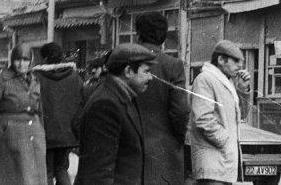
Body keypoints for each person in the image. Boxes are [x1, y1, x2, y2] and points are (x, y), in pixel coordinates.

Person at [75, 43, 156, 184]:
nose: (151, 78)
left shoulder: (124, 97)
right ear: (128, 71)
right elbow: (98, 173)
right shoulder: (106, 104)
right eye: (146, 72)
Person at [133, 12, 189, 185]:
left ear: (138, 34)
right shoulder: (173, 65)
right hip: (164, 153)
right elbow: (180, 112)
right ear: (164, 36)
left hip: (128, 152)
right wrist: (177, 139)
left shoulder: (126, 61)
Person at [0, 43, 48, 185]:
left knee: (32, 178)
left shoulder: (35, 80)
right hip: (9, 135)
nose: (21, 64)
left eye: (25, 60)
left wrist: (41, 133)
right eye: (17, 60)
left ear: (31, 61)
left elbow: (40, 110)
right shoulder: (1, 80)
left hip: (33, 135)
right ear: (12, 60)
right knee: (10, 177)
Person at [189, 40, 250, 184]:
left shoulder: (225, 82)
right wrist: (225, 140)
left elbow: (242, 115)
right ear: (221, 60)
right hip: (211, 163)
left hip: (222, 162)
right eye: (236, 61)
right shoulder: (205, 79)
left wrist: (242, 89)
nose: (240, 66)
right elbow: (203, 118)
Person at [33, 42, 83, 185]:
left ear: (45, 58)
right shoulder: (74, 77)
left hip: (45, 133)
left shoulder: (37, 77)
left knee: (46, 171)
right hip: (67, 134)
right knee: (62, 169)